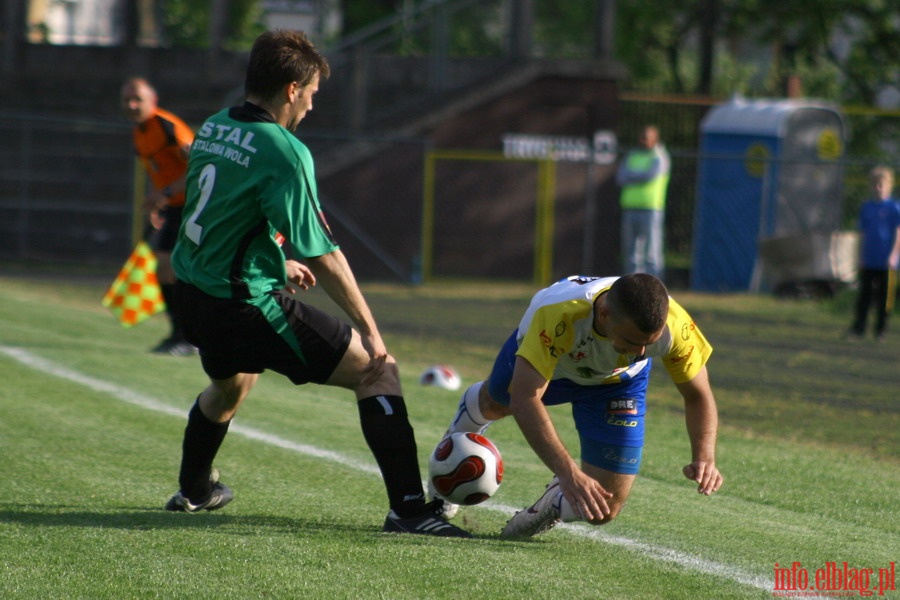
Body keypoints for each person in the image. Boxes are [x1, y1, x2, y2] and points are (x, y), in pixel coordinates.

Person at [165, 29, 470, 538]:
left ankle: (195, 490)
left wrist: (272, 261)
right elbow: (324, 254)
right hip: (241, 305)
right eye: (311, 94)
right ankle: (410, 510)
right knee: (377, 372)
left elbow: (215, 216)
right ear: (291, 89)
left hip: (194, 298)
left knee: (230, 387)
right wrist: (371, 331)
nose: (310, 105)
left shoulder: (215, 127)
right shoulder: (284, 151)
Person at [430, 273, 723, 538]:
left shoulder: (677, 326)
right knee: (496, 401)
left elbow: (697, 395)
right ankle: (446, 476)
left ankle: (553, 502)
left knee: (604, 507)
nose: (641, 352)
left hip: (617, 383)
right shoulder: (560, 314)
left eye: (650, 343)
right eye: (632, 341)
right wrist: (570, 472)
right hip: (553, 368)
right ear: (605, 314)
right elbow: (525, 399)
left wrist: (704, 456)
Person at [120, 77, 196, 356]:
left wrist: (164, 194)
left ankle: (187, 337)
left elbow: (198, 168)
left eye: (137, 99)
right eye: (127, 99)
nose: (131, 105)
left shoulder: (168, 127)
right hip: (174, 207)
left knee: (170, 268)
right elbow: (158, 170)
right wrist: (156, 204)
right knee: (165, 269)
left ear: (153, 101)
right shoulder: (139, 133)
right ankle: (181, 335)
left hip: (194, 206)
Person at [846, 166, 900, 341]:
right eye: (875, 184)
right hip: (869, 259)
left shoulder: (894, 208)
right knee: (864, 296)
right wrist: (859, 256)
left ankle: (880, 331)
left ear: (888, 186)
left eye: (882, 184)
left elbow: (898, 233)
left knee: (885, 299)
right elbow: (862, 234)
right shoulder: (867, 207)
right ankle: (858, 329)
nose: (878, 188)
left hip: (886, 261)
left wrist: (893, 255)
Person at [616, 125, 670, 279]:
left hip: (651, 208)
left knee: (651, 252)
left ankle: (655, 286)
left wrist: (631, 176)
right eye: (641, 137)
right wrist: (638, 176)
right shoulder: (632, 155)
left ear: (654, 139)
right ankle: (631, 287)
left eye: (646, 138)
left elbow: (649, 176)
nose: (642, 141)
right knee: (631, 252)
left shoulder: (659, 156)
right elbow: (620, 177)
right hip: (630, 207)